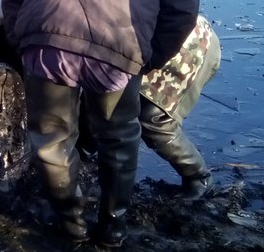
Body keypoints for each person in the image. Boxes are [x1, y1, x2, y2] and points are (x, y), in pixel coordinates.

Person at [2, 0, 200, 247]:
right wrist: (148, 59)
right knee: (119, 139)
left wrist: (20, 37)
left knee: (52, 139)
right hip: (118, 51)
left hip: (48, 41)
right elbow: (182, 11)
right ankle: (112, 229)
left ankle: (70, 224)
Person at [79, 13, 219, 200]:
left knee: (153, 119)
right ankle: (81, 151)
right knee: (96, 99)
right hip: (126, 38)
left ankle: (199, 177)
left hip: (185, 41)